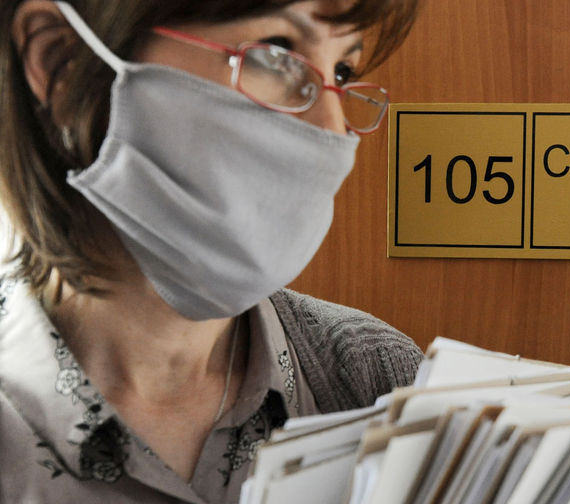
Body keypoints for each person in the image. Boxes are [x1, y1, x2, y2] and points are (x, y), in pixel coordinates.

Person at [0, 0, 423, 502]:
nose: (333, 128)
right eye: (276, 52)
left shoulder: (382, 382)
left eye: (342, 71)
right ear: (60, 61)